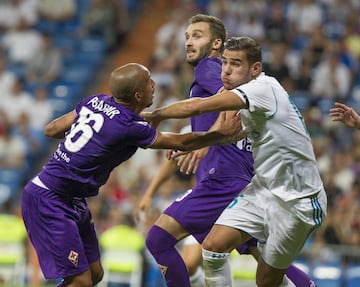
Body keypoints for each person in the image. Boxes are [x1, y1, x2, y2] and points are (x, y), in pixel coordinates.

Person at [20, 62, 242, 287]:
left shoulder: (94, 101)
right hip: (49, 199)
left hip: (71, 198)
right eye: (148, 81)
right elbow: (181, 142)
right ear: (138, 95)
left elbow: (51, 129)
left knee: (95, 274)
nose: (154, 84)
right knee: (80, 281)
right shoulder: (130, 126)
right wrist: (221, 134)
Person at [143, 14, 317, 287]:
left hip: (222, 178)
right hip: (239, 179)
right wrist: (199, 141)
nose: (189, 41)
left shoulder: (209, 67)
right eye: (187, 36)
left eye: (197, 36)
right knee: (262, 258)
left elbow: (226, 102)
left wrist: (207, 141)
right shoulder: (242, 82)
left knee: (158, 239)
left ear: (216, 44)